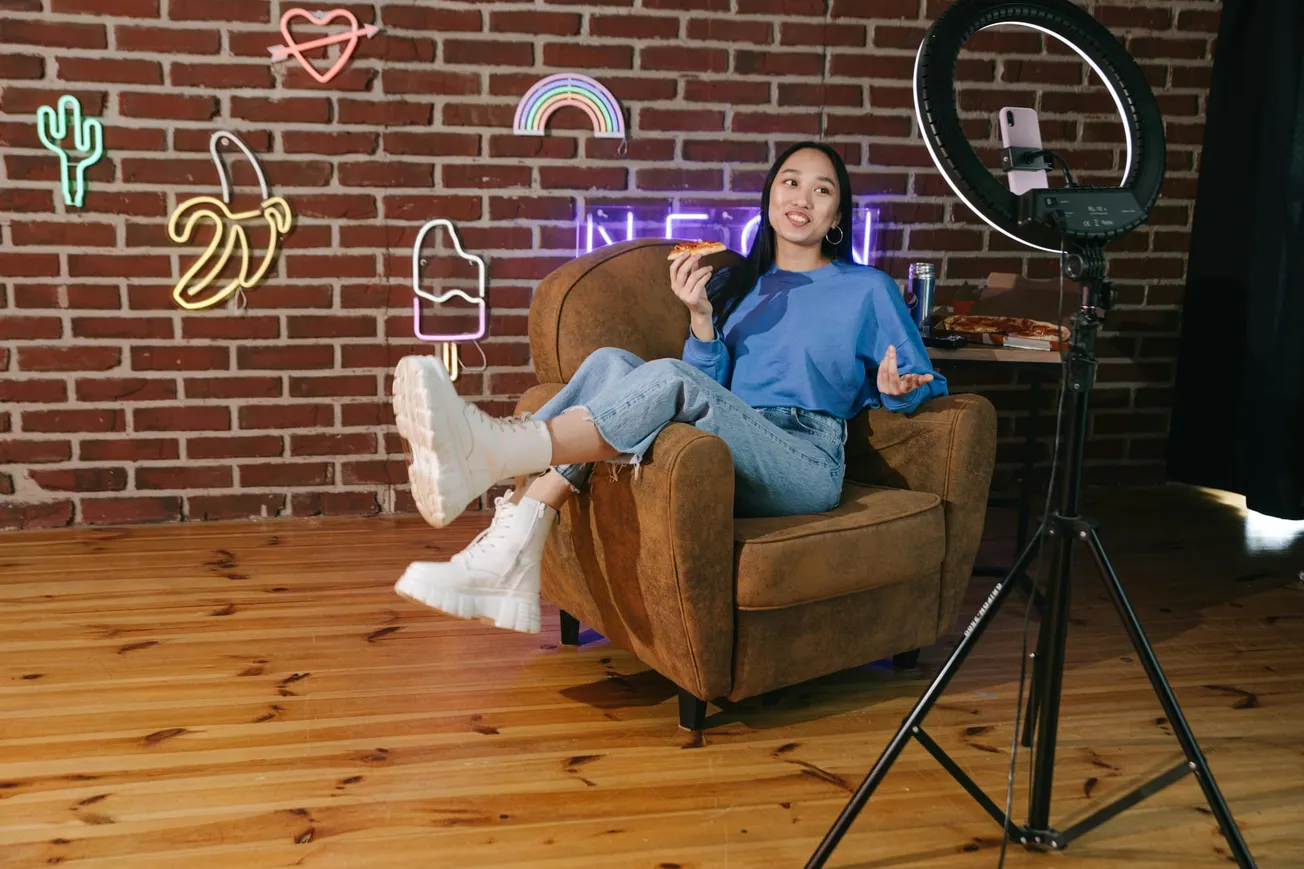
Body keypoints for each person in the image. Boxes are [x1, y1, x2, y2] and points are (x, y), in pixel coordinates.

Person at [390, 141, 948, 633]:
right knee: (610, 362)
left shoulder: (866, 288)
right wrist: (702, 320)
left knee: (664, 375)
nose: (802, 197)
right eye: (790, 182)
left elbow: (928, 382)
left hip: (804, 461)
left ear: (836, 216)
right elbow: (703, 391)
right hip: (732, 449)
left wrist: (895, 388)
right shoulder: (739, 287)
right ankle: (515, 542)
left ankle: (494, 454)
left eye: (821, 189)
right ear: (771, 198)